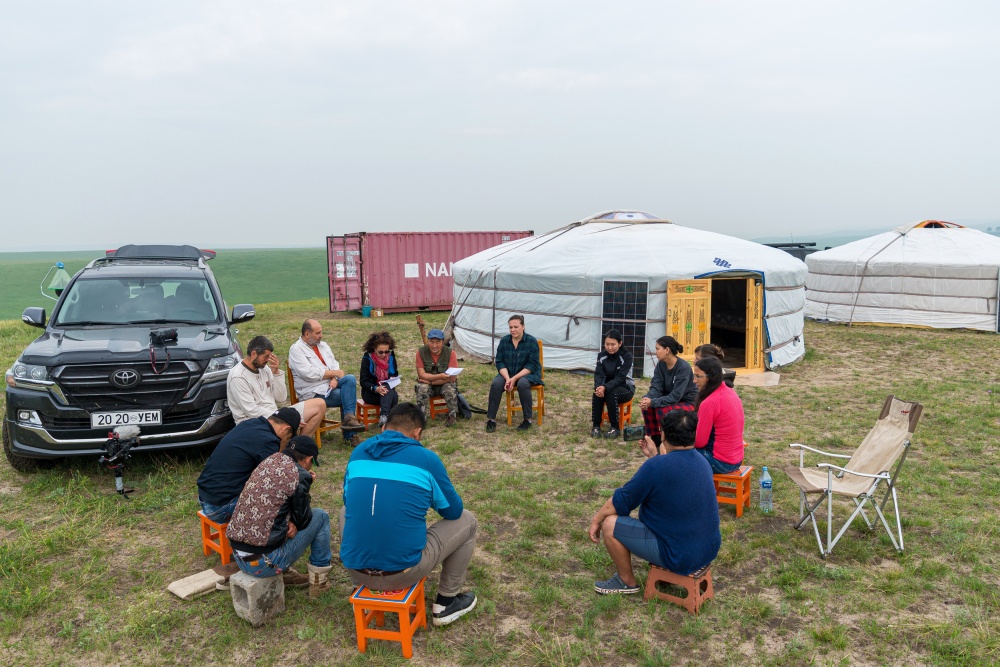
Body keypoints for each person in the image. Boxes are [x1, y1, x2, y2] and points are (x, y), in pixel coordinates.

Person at [340, 403, 478, 626]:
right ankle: (446, 603)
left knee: (346, 510)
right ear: (417, 433)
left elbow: (348, 501)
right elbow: (453, 511)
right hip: (403, 571)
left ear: (384, 427)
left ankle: (360, 583)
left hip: (356, 568)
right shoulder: (425, 459)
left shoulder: (358, 453)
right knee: (468, 520)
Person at [588, 410, 721, 594]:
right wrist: (654, 456)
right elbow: (673, 477)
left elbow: (620, 501)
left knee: (610, 524)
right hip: (707, 550)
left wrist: (596, 520)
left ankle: (626, 581)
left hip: (678, 556)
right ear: (694, 434)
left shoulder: (655, 468)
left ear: (663, 434)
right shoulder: (703, 462)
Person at [227, 436, 333, 598]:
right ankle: (320, 583)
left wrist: (291, 520)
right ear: (309, 459)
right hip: (263, 564)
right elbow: (304, 520)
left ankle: (287, 571)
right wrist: (306, 485)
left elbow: (274, 502)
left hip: (239, 558)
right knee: (321, 516)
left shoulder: (269, 461)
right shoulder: (300, 474)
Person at [196, 407, 301, 523]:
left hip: (204, 497)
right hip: (221, 507)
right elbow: (273, 482)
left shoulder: (249, 423)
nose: (284, 441)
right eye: (288, 437)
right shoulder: (269, 441)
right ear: (285, 429)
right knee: (278, 505)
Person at [227, 335, 326, 436]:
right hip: (253, 422)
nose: (268, 360)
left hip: (275, 415)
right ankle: (290, 446)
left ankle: (297, 445)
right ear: (254, 354)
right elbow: (251, 411)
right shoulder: (238, 376)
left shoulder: (264, 369)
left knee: (320, 404)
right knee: (283, 423)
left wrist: (276, 373)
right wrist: (281, 417)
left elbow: (281, 398)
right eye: (265, 357)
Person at [288, 319, 363, 430]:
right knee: (347, 395)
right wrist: (334, 373)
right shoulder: (296, 350)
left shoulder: (323, 346)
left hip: (330, 385)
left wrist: (335, 378)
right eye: (318, 333)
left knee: (350, 379)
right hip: (313, 391)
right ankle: (350, 435)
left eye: (321, 332)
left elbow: (334, 364)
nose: (321, 336)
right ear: (307, 334)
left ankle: (349, 420)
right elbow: (308, 373)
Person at [485, 315, 541, 432]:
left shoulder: (531, 341)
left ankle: (528, 419)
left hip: (527, 374)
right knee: (496, 384)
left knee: (523, 384)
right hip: (508, 372)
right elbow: (499, 362)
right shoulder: (504, 341)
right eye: (510, 327)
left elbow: (532, 365)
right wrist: (507, 378)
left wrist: (514, 378)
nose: (512, 330)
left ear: (523, 327)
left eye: (516, 327)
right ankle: (491, 419)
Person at [639, 336, 698, 445]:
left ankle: (668, 439)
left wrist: (653, 402)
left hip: (686, 401)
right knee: (646, 406)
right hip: (669, 398)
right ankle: (655, 437)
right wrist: (648, 398)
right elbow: (656, 387)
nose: (655, 351)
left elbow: (676, 396)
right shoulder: (660, 365)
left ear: (667, 350)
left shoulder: (683, 368)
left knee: (660, 409)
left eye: (657, 349)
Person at [691, 356, 745, 473]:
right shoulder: (730, 392)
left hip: (721, 462)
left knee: (677, 455)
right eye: (694, 376)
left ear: (711, 378)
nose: (694, 380)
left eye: (698, 376)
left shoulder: (710, 402)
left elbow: (700, 442)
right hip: (736, 458)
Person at [591, 329, 635, 439]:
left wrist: (605, 387)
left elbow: (620, 378)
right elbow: (599, 374)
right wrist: (599, 387)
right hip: (607, 387)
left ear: (620, 343)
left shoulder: (626, 357)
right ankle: (596, 426)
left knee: (611, 393)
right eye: (607, 344)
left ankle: (615, 427)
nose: (610, 347)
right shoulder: (601, 356)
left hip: (626, 388)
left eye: (613, 344)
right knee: (597, 393)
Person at [415, 328, 460, 427]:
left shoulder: (450, 353)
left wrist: (431, 381)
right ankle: (421, 419)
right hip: (429, 384)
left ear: (443, 342)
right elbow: (421, 375)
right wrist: (441, 376)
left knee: (450, 388)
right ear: (428, 341)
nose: (434, 346)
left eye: (438, 342)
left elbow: (451, 378)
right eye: (431, 342)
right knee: (422, 388)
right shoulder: (421, 352)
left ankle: (452, 416)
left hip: (442, 384)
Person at [359, 331, 400, 427]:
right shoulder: (367, 359)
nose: (384, 354)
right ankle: (387, 417)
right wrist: (376, 388)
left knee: (390, 390)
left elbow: (395, 373)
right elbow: (363, 381)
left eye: (386, 351)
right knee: (393, 395)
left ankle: (384, 417)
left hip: (386, 389)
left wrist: (393, 378)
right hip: (371, 392)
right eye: (380, 352)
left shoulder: (391, 357)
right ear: (374, 349)